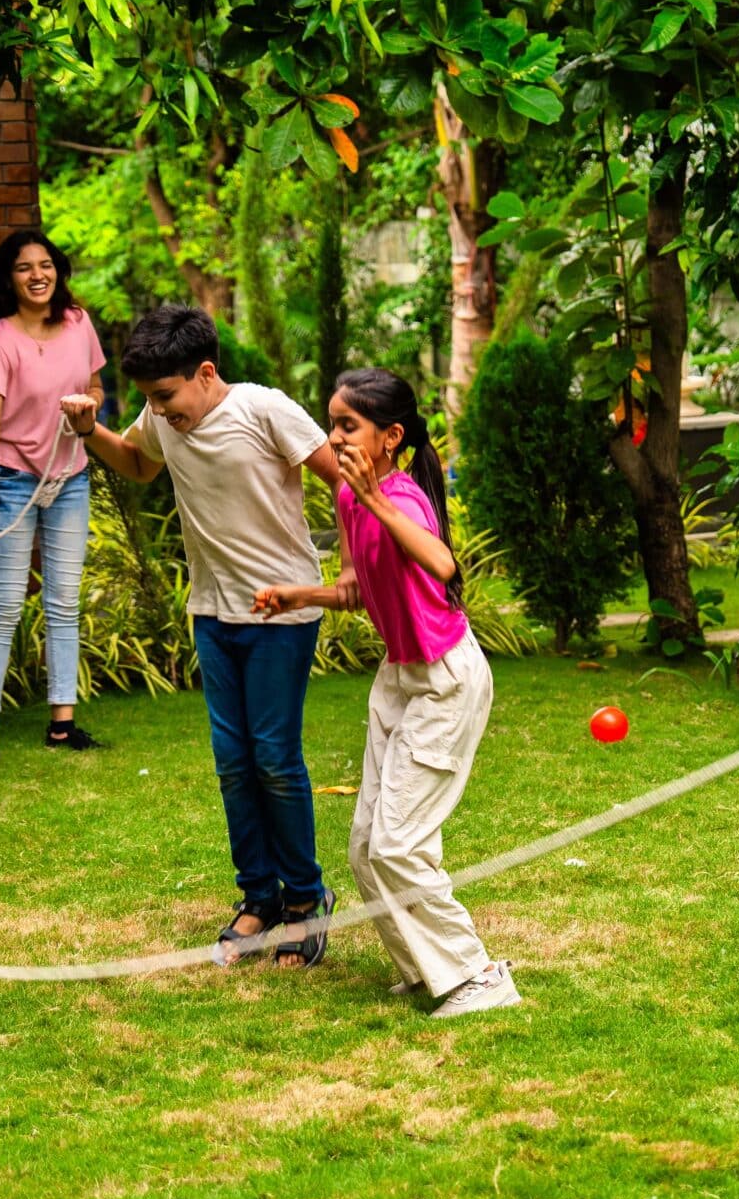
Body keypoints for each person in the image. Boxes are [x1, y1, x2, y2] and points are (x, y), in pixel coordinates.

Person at [62, 305, 343, 964]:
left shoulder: (265, 410)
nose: (158, 412)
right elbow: (137, 464)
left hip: (282, 614)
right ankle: (259, 897)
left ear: (206, 372)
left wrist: (350, 571)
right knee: (234, 764)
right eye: (151, 401)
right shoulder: (164, 417)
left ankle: (305, 899)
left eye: (165, 396)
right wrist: (89, 432)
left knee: (274, 758)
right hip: (214, 613)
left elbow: (342, 482)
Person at [252, 370, 521, 1017]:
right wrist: (300, 594)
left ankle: (479, 975)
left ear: (391, 437)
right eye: (332, 423)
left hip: (445, 680)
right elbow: (353, 587)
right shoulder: (351, 497)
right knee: (367, 846)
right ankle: (429, 971)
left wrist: (376, 500)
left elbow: (441, 562)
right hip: (398, 678)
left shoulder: (400, 497)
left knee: (398, 844)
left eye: (348, 425)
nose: (334, 436)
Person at [0, 230, 106, 766]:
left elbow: (96, 387)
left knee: (64, 605)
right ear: (10, 279)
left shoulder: (78, 322)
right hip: (11, 482)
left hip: (70, 480)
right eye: (24, 268)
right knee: (5, 606)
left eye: (46, 265)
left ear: (57, 271)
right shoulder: (0, 340)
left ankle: (63, 725)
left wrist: (88, 408)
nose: (38, 275)